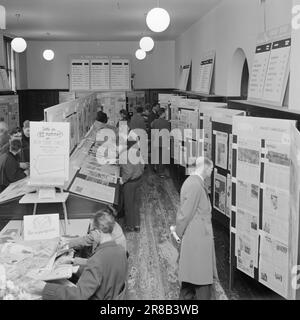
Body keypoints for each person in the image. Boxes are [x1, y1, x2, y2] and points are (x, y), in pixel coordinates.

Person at [26, 210, 128, 300]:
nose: (90, 234)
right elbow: (104, 270)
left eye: (91, 231)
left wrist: (45, 288)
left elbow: (79, 295)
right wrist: (74, 263)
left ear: (98, 231)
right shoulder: (121, 250)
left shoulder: (98, 260)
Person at [174, 157, 218, 300]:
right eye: (210, 168)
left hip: (196, 238)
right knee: (201, 281)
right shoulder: (195, 185)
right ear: (204, 168)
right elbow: (185, 214)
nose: (212, 171)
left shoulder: (195, 182)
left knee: (189, 278)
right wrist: (178, 234)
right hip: (197, 239)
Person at [61, 206, 127, 267]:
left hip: (109, 266)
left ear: (99, 230)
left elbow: (94, 262)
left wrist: (72, 259)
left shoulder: (103, 246)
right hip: (121, 260)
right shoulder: (113, 225)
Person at [119, 140, 144, 232]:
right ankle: (137, 225)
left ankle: (130, 226)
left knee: (128, 205)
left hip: (130, 183)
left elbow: (128, 172)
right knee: (136, 204)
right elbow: (143, 165)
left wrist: (123, 180)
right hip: (139, 179)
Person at [151, 108, 171, 178]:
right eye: (165, 112)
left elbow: (152, 128)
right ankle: (161, 172)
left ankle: (157, 169)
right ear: (162, 113)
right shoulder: (166, 122)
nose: (165, 114)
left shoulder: (155, 121)